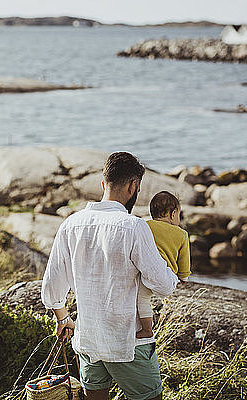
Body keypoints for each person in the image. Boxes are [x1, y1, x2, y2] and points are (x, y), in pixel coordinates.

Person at [41, 152, 179, 400]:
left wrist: (63, 319)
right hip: (128, 343)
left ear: (104, 184)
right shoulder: (134, 227)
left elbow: (52, 287)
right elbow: (164, 286)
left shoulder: (70, 225)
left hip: (89, 341)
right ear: (133, 186)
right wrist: (171, 270)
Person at [137, 191, 191, 339]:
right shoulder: (182, 234)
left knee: (142, 300)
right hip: (167, 277)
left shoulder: (146, 226)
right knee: (147, 298)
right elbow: (184, 260)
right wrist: (184, 277)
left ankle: (146, 329)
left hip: (145, 272)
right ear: (173, 214)